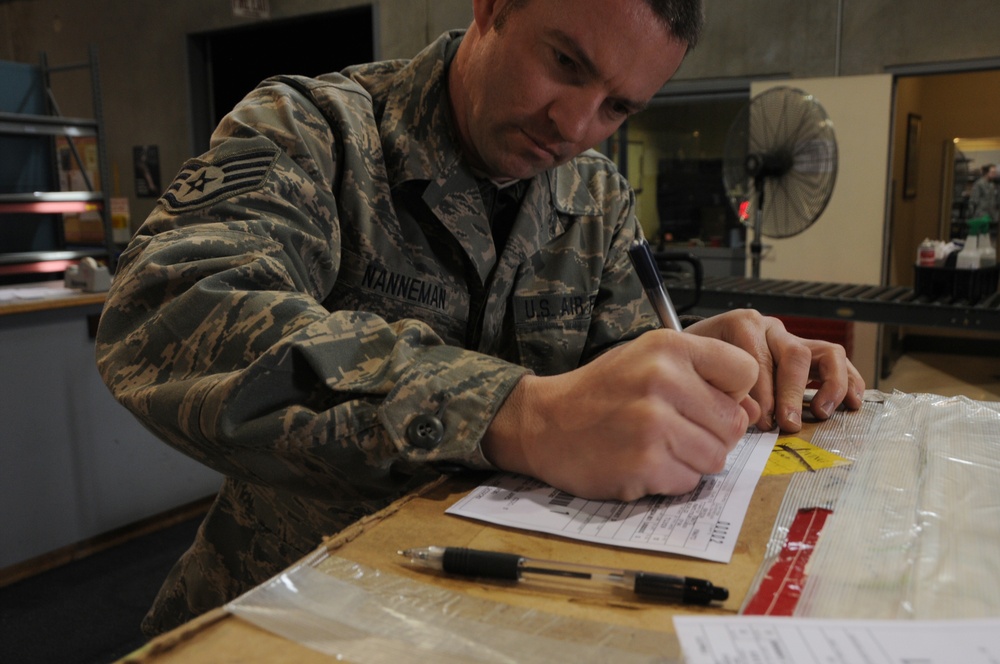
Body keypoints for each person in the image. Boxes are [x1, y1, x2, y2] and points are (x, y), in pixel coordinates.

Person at [96, 0, 864, 636]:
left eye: (619, 106)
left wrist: (695, 359)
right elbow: (170, 309)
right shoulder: (315, 131)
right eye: (565, 63)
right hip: (288, 613)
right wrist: (516, 414)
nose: (576, 124)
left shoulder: (593, 195)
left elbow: (610, 369)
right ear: (492, 7)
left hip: (502, 616)